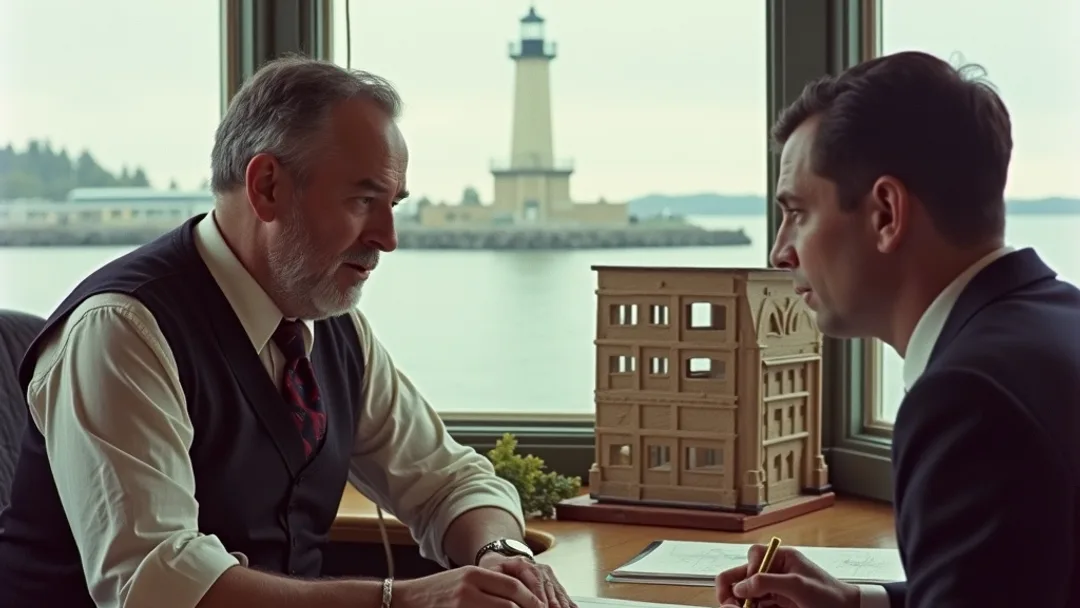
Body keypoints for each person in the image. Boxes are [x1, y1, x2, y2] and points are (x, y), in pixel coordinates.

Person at [0, 56, 575, 608]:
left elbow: (449, 480)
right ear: (269, 186)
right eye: (363, 199)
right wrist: (401, 600)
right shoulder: (122, 330)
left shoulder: (334, 329)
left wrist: (502, 554)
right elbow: (158, 587)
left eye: (394, 203)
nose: (388, 236)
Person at [715, 50, 1079, 608]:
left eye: (797, 213)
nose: (779, 251)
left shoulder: (967, 398)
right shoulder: (1059, 322)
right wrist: (857, 602)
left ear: (886, 213)